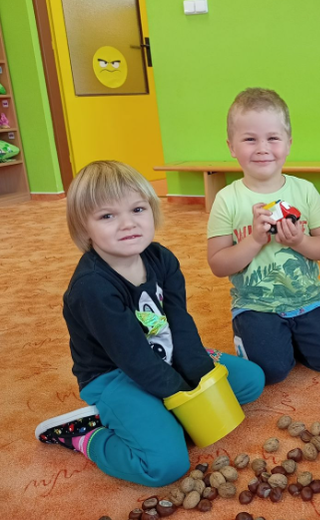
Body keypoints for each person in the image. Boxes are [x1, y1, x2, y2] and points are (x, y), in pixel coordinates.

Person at [34, 161, 264, 487]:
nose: (128, 223)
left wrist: (196, 369)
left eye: (138, 209)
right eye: (107, 216)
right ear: (84, 228)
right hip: (115, 374)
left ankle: (159, 411)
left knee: (250, 381)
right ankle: (87, 435)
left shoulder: (161, 258)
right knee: (165, 465)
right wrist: (184, 394)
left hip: (161, 352)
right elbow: (131, 356)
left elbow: (179, 319)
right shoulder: (92, 288)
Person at [207, 87, 320, 385]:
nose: (262, 148)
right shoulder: (226, 199)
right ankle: (264, 339)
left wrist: (300, 241)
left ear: (288, 143)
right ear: (231, 147)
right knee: (271, 372)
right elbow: (218, 264)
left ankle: (292, 339)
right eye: (250, 139)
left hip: (308, 300)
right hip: (255, 305)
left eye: (273, 138)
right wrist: (254, 240)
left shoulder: (305, 190)